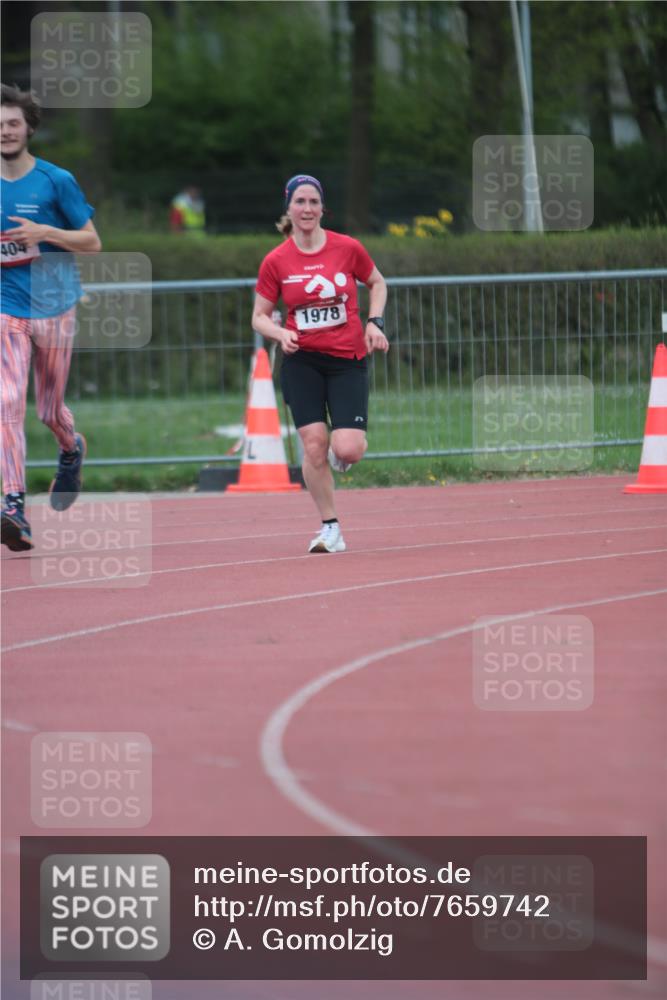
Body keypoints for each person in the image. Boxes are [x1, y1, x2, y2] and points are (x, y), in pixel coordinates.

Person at [252, 173, 389, 553]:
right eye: (300, 202)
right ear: (289, 208)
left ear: (322, 208)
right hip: (302, 361)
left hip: (347, 359)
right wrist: (280, 334)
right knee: (313, 446)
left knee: (348, 450)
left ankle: (336, 453)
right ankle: (330, 527)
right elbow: (259, 316)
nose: (307, 209)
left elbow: (377, 282)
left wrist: (375, 322)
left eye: (314, 202)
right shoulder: (276, 260)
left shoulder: (347, 248)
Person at [1, 83, 101, 552]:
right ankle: (13, 506)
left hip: (55, 306)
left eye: (13, 123)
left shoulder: (56, 180)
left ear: (29, 129)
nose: (4, 131)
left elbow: (92, 242)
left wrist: (46, 232)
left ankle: (69, 447)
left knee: (48, 410)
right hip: (7, 308)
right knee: (7, 399)